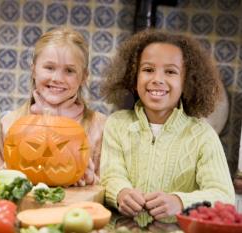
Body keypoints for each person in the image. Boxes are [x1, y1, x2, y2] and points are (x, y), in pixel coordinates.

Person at [100, 29, 235, 224]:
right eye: (148, 70)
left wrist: (181, 202)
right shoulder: (117, 124)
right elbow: (111, 175)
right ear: (133, 76)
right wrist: (121, 192)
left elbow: (224, 196)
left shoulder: (203, 135)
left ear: (187, 81)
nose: (157, 79)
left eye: (170, 72)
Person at [0, 27, 106, 186]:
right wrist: (6, 173)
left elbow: (109, 186)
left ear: (84, 77)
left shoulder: (100, 126)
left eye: (69, 71)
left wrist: (91, 181)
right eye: (49, 68)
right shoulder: (9, 122)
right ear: (33, 70)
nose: (57, 78)